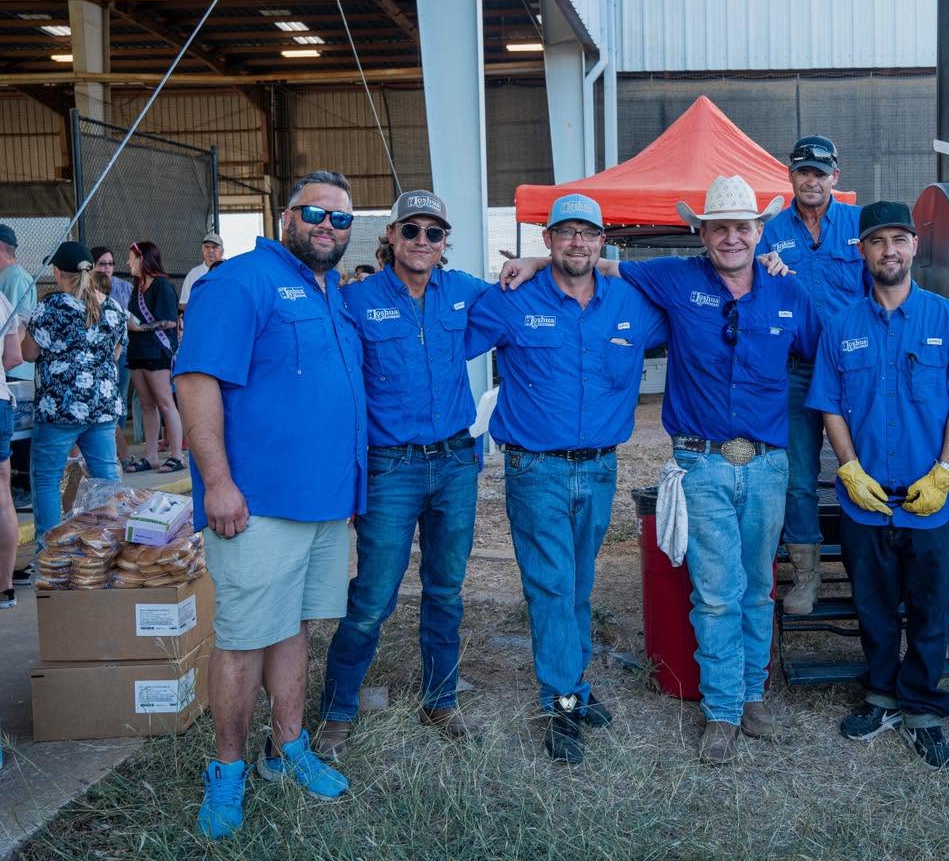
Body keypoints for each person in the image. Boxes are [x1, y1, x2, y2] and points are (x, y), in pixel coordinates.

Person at [502, 175, 821, 763]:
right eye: (719, 227)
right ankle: (722, 709)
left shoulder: (790, 292)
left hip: (767, 466)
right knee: (717, 592)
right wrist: (534, 260)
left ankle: (752, 693)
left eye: (742, 227)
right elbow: (596, 265)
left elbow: (821, 356)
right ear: (702, 233)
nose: (731, 237)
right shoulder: (675, 277)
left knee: (758, 587)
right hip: (701, 463)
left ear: (759, 231)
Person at [175, 169, 365, 839]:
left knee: (292, 628)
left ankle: (286, 747)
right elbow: (196, 382)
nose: (327, 226)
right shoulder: (242, 281)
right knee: (242, 639)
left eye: (341, 218)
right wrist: (218, 482)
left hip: (323, 503)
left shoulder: (332, 291)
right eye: (315, 213)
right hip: (256, 504)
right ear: (287, 216)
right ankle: (226, 770)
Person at [469, 193, 666, 764]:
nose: (577, 242)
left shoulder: (631, 302)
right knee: (552, 586)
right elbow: (446, 337)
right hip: (537, 470)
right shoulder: (513, 298)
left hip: (600, 468)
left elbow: (694, 295)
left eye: (588, 233)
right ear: (547, 239)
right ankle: (561, 701)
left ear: (603, 242)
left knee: (579, 583)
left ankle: (574, 682)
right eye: (565, 232)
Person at [806, 201, 949, 770]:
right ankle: (883, 694)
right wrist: (848, 468)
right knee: (874, 605)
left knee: (931, 607)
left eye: (898, 240)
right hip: (866, 500)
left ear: (914, 246)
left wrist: (945, 472)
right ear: (861, 251)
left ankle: (923, 706)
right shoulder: (842, 326)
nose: (889, 250)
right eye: (877, 241)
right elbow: (830, 405)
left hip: (933, 501)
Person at [316, 190, 489, 759]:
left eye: (433, 232)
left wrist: (534, 260)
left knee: (446, 590)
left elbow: (523, 293)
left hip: (456, 462)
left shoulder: (463, 291)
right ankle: (338, 710)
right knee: (373, 597)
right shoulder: (355, 299)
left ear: (444, 242)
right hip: (391, 467)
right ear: (389, 236)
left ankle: (441, 700)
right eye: (410, 229)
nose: (421, 240)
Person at [756, 135, 865, 616]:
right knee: (798, 475)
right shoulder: (770, 232)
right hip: (796, 370)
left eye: (820, 172)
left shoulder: (861, 226)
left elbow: (884, 289)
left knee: (864, 463)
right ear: (791, 176)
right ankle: (807, 575)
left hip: (853, 370)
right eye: (803, 172)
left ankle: (869, 569)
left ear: (835, 176)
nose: (811, 180)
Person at [20, 242, 126, 541]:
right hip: (102, 407)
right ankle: (109, 546)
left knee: (47, 480)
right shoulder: (114, 308)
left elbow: (28, 353)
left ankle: (50, 552)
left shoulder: (51, 307)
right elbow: (115, 355)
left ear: (57, 272)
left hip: (59, 408)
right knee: (107, 479)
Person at [126, 241, 184, 474]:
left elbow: (169, 321)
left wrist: (139, 328)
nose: (128, 263)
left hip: (157, 352)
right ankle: (151, 456)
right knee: (146, 404)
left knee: (165, 402)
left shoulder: (162, 286)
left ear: (143, 259)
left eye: (131, 258)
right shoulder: (138, 287)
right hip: (138, 352)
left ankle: (177, 455)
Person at [0, 223, 36, 535]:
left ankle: (22, 485)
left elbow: (18, 323)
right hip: (14, 368)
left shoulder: (12, 278)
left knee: (18, 437)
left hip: (13, 369)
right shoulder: (14, 276)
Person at [91, 246, 134, 465]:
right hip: (97, 359)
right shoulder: (85, 289)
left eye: (110, 263)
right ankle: (114, 452)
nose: (106, 268)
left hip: (119, 353)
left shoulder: (125, 288)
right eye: (102, 263)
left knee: (119, 398)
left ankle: (119, 451)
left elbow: (130, 322)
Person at [0, 287, 22, 610]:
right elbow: (14, 356)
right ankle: (5, 586)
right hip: (0, 400)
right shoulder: (2, 300)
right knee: (3, 497)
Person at [179, 232, 224, 307]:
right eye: (207, 247)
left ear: (222, 251)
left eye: (214, 247)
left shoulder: (229, 271)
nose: (210, 250)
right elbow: (184, 303)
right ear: (202, 250)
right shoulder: (194, 274)